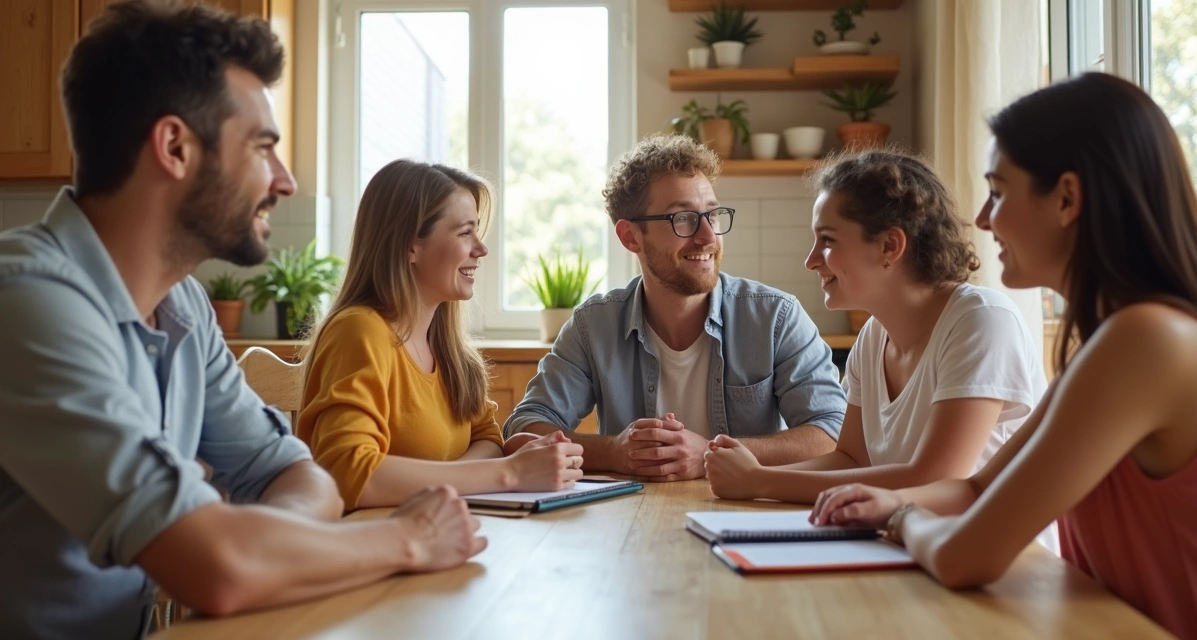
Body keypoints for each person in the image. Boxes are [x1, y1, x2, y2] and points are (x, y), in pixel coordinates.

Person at [0, 3, 483, 636]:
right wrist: (407, 539)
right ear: (174, 147)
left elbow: (298, 477)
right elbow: (220, 569)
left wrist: (244, 542)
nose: (284, 181)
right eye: (262, 148)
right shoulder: (29, 302)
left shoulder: (184, 307)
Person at [810, 73, 1197, 640]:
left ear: (1067, 199)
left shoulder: (1147, 341)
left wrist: (902, 515)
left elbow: (963, 557)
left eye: (998, 192)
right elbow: (977, 489)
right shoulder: (1114, 340)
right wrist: (883, 500)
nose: (982, 219)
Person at [704, 150, 1047, 508]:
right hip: (910, 543)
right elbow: (850, 460)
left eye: (828, 240)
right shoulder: (873, 337)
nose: (811, 261)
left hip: (993, 558)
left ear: (890, 245)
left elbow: (936, 479)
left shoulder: (981, 321)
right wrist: (751, 474)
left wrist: (760, 480)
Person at [503, 135, 847, 481]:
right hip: (632, 521)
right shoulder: (593, 327)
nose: (708, 236)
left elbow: (833, 434)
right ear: (630, 237)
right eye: (682, 218)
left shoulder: (776, 318)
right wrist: (613, 452)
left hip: (745, 514)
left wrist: (713, 454)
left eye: (712, 214)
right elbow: (524, 431)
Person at [297, 160, 584, 511]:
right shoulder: (359, 330)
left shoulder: (449, 349)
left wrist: (463, 476)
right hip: (369, 549)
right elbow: (349, 473)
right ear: (409, 246)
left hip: (436, 534)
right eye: (465, 233)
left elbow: (488, 439)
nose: (481, 249)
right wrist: (507, 473)